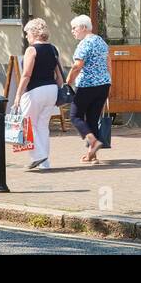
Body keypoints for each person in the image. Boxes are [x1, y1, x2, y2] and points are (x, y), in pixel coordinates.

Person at [12, 18, 63, 171]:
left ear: (34, 33)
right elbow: (59, 75)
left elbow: (26, 75)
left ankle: (38, 155)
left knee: (26, 124)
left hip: (35, 91)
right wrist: (59, 91)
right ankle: (44, 163)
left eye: (27, 33)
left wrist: (18, 95)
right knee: (42, 126)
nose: (26, 36)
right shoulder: (53, 49)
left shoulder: (31, 50)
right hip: (51, 90)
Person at [64, 14, 111, 164]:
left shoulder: (84, 44)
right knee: (92, 118)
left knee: (75, 115)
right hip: (103, 85)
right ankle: (93, 155)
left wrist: (68, 80)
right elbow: (109, 61)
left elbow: (77, 65)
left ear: (84, 28)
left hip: (87, 85)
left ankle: (92, 141)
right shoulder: (101, 41)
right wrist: (110, 80)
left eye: (74, 28)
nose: (73, 31)